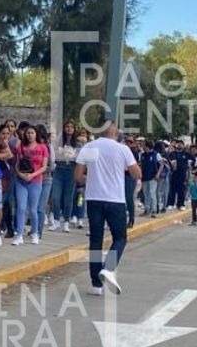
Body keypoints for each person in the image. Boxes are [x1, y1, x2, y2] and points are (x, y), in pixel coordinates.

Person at [75, 119, 140, 296]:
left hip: (94, 198)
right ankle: (108, 268)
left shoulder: (89, 147)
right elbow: (137, 173)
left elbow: (78, 176)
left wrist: (91, 180)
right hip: (115, 199)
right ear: (114, 132)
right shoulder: (122, 149)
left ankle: (96, 284)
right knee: (120, 237)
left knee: (95, 240)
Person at [12, 124, 49, 245]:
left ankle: (35, 233)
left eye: (32, 133)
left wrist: (33, 175)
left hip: (36, 180)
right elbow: (17, 164)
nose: (30, 135)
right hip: (21, 180)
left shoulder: (43, 147)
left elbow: (44, 167)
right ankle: (19, 234)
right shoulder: (21, 147)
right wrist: (20, 174)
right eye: (28, 133)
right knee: (21, 208)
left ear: (36, 134)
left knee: (33, 209)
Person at [50, 122, 80, 232]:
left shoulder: (77, 143)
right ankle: (56, 220)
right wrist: (61, 153)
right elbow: (53, 156)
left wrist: (73, 155)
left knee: (68, 198)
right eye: (67, 126)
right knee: (55, 197)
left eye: (71, 127)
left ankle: (66, 221)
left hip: (71, 171)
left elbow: (80, 158)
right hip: (59, 171)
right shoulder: (58, 142)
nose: (69, 128)